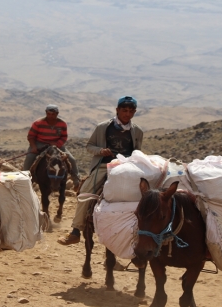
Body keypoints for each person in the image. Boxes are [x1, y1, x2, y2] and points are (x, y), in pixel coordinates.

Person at [57, 95, 143, 245]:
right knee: (86, 193)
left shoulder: (137, 131)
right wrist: (101, 151)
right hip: (104, 166)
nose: (127, 114)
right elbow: (89, 146)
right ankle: (76, 231)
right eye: (124, 110)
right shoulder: (103, 127)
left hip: (127, 168)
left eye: (131, 111)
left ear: (134, 112)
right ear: (117, 110)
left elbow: (137, 151)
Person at [23, 104, 80, 188]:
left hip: (56, 144)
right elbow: (31, 136)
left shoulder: (62, 123)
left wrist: (57, 144)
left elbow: (64, 137)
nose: (50, 116)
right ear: (46, 113)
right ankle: (25, 178)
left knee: (71, 159)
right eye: (49, 114)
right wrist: (34, 147)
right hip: (40, 143)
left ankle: (76, 180)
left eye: (53, 114)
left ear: (57, 114)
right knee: (30, 157)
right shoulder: (38, 123)